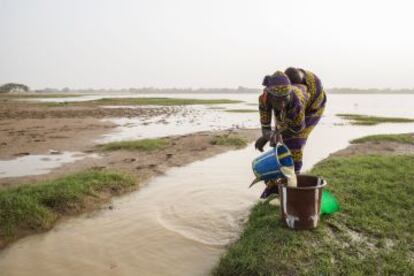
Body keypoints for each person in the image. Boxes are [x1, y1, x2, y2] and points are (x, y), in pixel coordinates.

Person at [254, 68, 327, 198]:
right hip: (295, 93)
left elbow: (297, 128)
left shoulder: (296, 100)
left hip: (314, 103)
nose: (281, 104)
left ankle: (293, 187)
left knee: (295, 143)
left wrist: (275, 134)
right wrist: (267, 136)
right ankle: (275, 185)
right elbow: (266, 128)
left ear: (289, 94)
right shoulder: (264, 99)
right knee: (279, 142)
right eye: (277, 100)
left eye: (284, 99)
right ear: (269, 96)